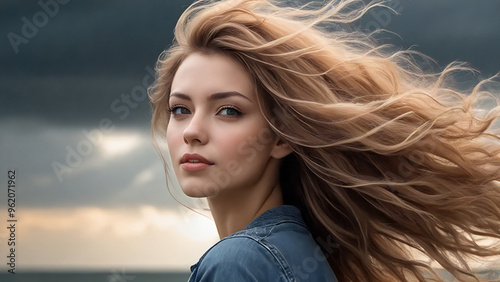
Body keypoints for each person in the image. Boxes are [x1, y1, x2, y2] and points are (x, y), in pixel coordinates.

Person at [149, 0, 500, 281]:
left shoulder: (240, 264)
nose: (192, 130)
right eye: (180, 109)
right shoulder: (301, 251)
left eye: (228, 111)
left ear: (280, 138)